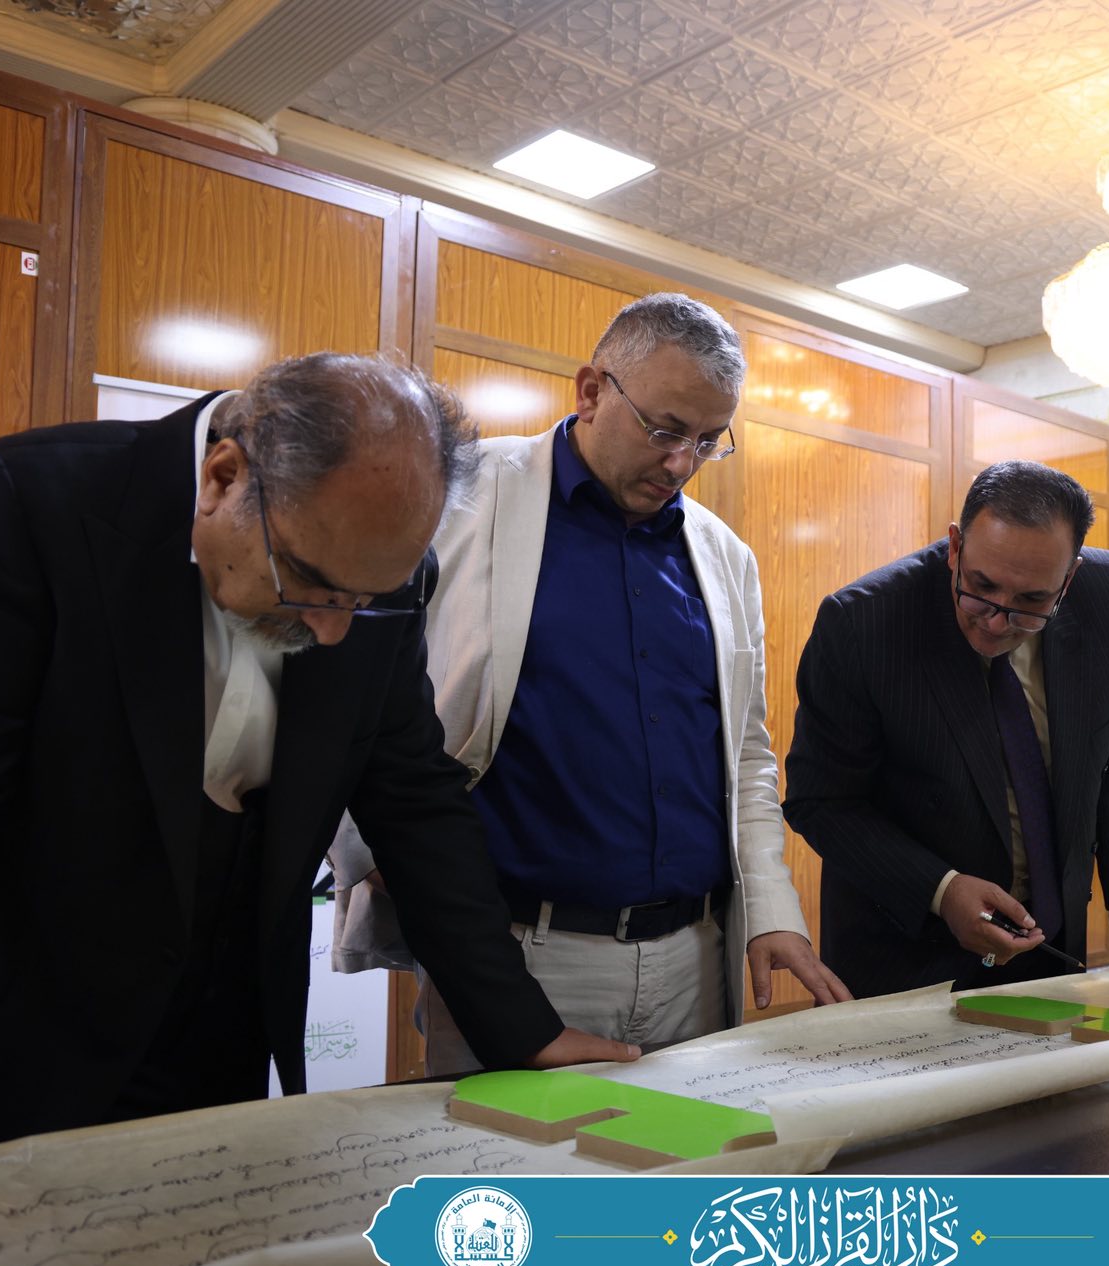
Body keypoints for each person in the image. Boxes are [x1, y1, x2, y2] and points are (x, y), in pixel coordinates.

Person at [0, 352, 630, 1191]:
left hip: (220, 1040)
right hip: (17, 1027)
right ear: (223, 477)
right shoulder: (29, 501)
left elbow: (415, 801)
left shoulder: (375, 570)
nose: (335, 632)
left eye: (365, 601)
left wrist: (522, 1031)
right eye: (311, 585)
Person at [332, 295, 845, 1067]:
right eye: (666, 430)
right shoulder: (459, 496)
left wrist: (772, 910)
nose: (682, 464)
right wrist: (373, 854)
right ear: (592, 390)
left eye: (709, 442)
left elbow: (745, 752)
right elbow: (358, 696)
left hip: (696, 956)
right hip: (519, 954)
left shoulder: (725, 557)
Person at [782, 460, 1109, 998]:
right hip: (908, 960)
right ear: (955, 546)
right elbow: (821, 801)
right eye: (981, 587)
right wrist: (941, 890)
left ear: (1070, 577)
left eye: (1031, 602)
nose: (996, 621)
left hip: (1052, 948)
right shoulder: (864, 622)